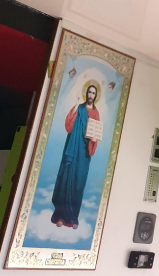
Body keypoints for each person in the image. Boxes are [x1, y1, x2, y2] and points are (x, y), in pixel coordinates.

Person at [50, 84, 100, 229]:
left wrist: (94, 139)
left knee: (78, 183)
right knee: (66, 179)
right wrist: (76, 104)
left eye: (93, 93)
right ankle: (60, 216)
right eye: (89, 92)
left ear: (95, 96)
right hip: (73, 148)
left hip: (84, 152)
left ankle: (73, 218)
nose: (90, 95)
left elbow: (96, 133)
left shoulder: (95, 113)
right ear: (86, 93)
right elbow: (69, 127)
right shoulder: (80, 108)